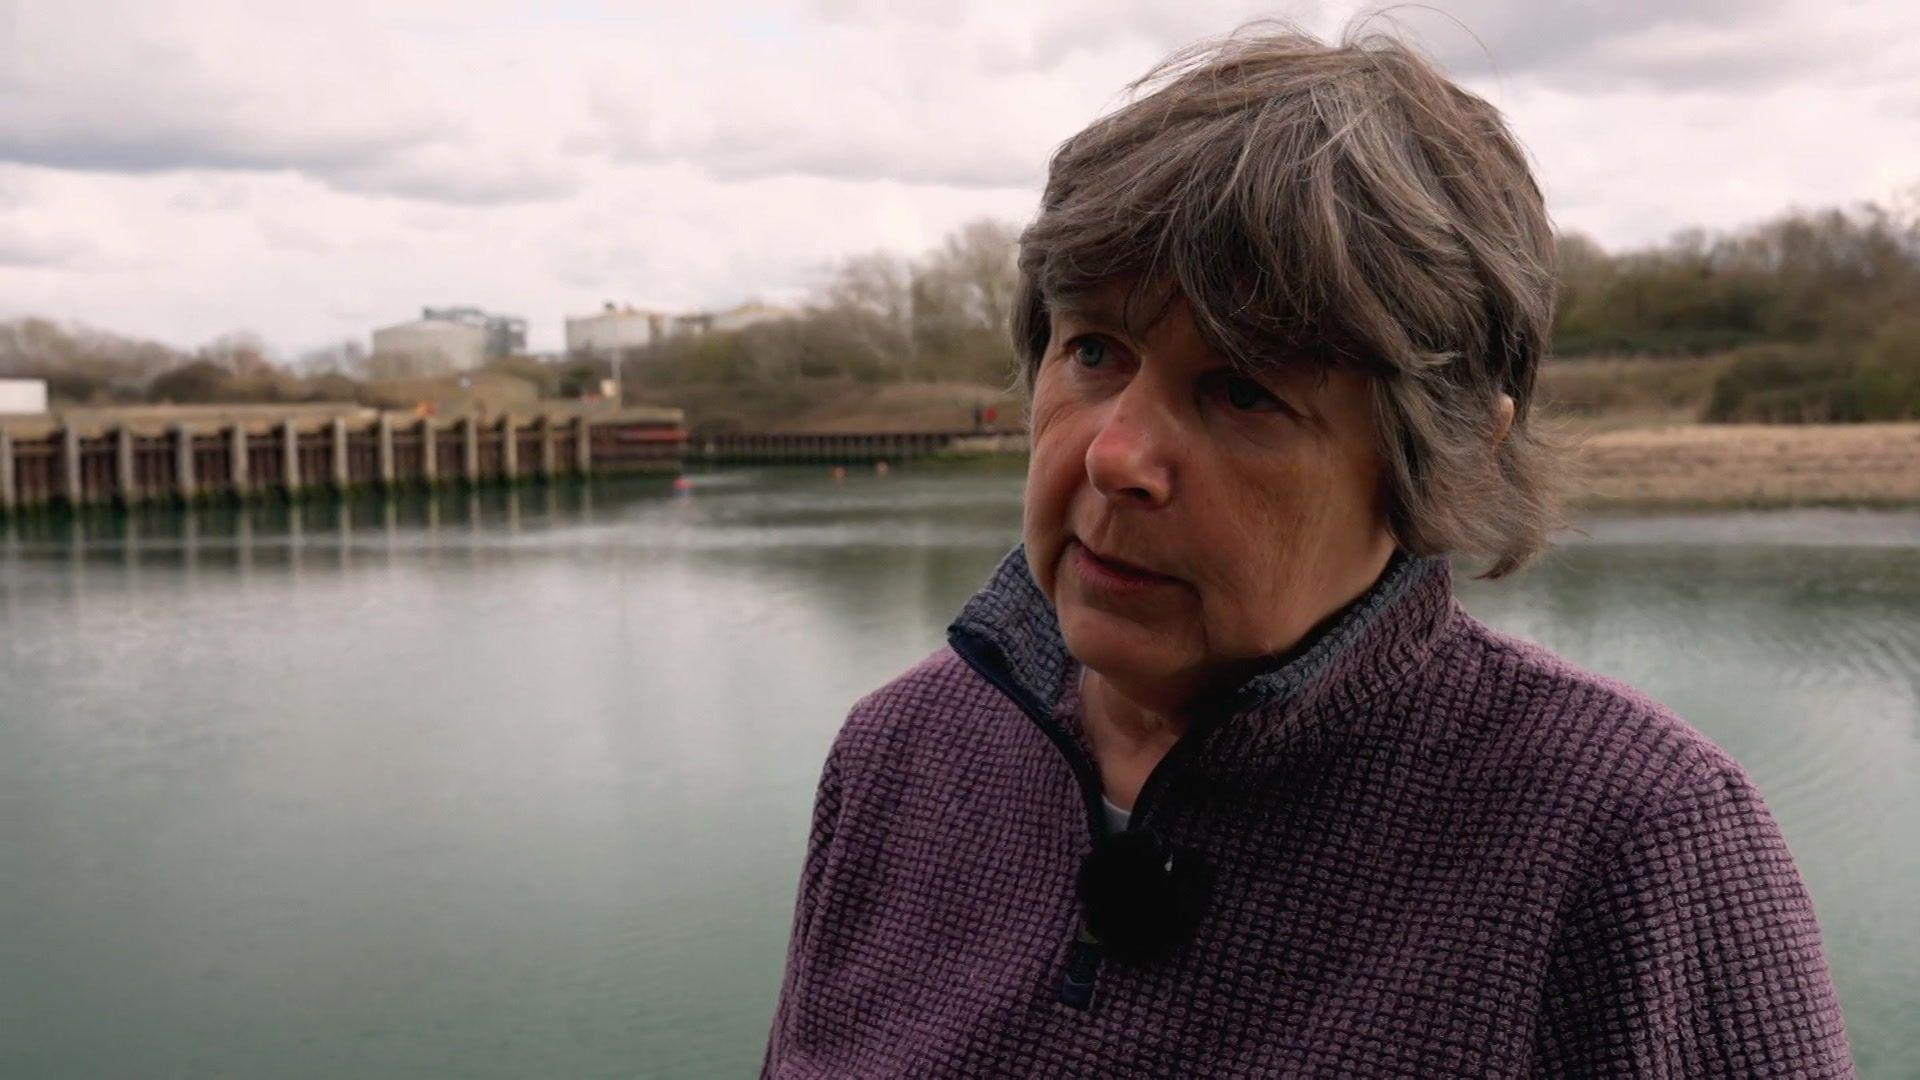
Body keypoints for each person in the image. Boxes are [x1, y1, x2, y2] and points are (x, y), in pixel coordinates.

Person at [761, 22, 1852, 1078]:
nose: (1117, 457)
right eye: (1093, 349)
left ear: (1450, 456)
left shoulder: (1632, 845)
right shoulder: (901, 755)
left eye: (1242, 389)